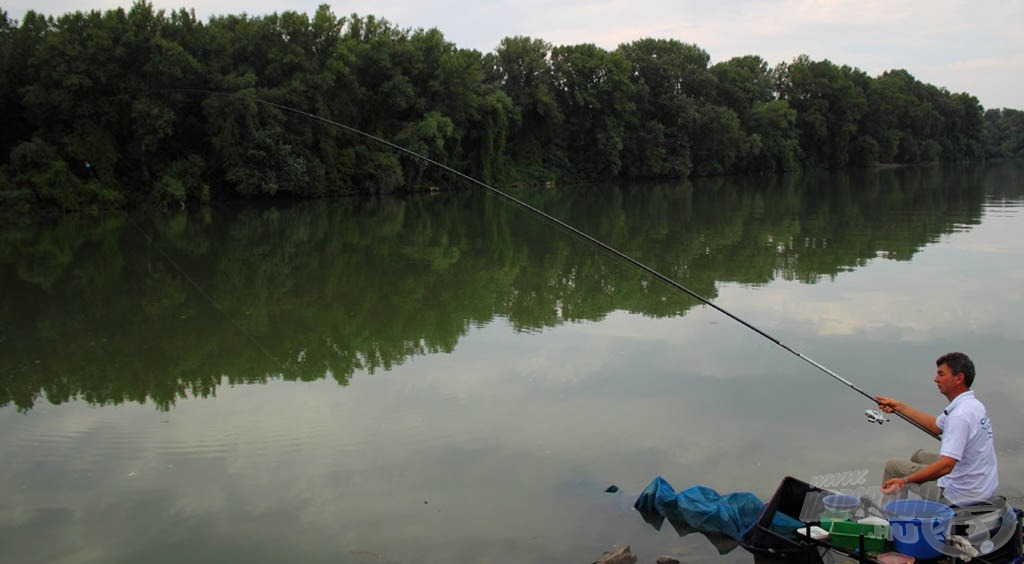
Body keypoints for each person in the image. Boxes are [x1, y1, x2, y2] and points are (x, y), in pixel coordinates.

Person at [875, 352, 998, 506]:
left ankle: (886, 522)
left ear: (959, 378)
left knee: (893, 467)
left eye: (941, 374)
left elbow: (946, 467)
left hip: (960, 495)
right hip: (981, 482)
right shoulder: (973, 405)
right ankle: (901, 508)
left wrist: (904, 481)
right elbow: (936, 427)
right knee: (918, 456)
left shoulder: (959, 417)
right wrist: (899, 407)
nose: (936, 379)